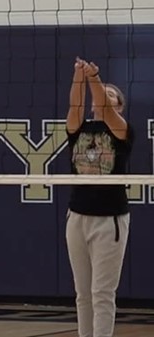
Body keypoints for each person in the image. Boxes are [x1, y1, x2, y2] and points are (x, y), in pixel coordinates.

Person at [65, 57, 133, 337]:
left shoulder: (123, 131)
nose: (105, 97)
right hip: (77, 217)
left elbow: (103, 107)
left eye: (111, 95)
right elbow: (75, 106)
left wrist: (94, 78)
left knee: (102, 293)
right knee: (83, 294)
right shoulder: (79, 129)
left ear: (120, 107)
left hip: (109, 220)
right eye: (102, 94)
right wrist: (79, 74)